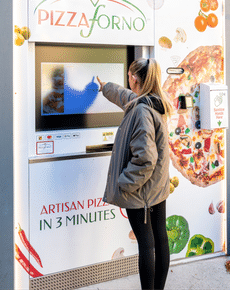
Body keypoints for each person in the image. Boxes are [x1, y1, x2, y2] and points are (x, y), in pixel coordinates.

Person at [97, 58, 173, 290]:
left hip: (141, 192)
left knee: (146, 245)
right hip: (157, 188)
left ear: (134, 78)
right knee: (159, 238)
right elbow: (124, 96)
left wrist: (124, 183)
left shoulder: (141, 111)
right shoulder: (152, 101)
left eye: (129, 75)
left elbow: (145, 159)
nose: (127, 79)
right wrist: (105, 87)